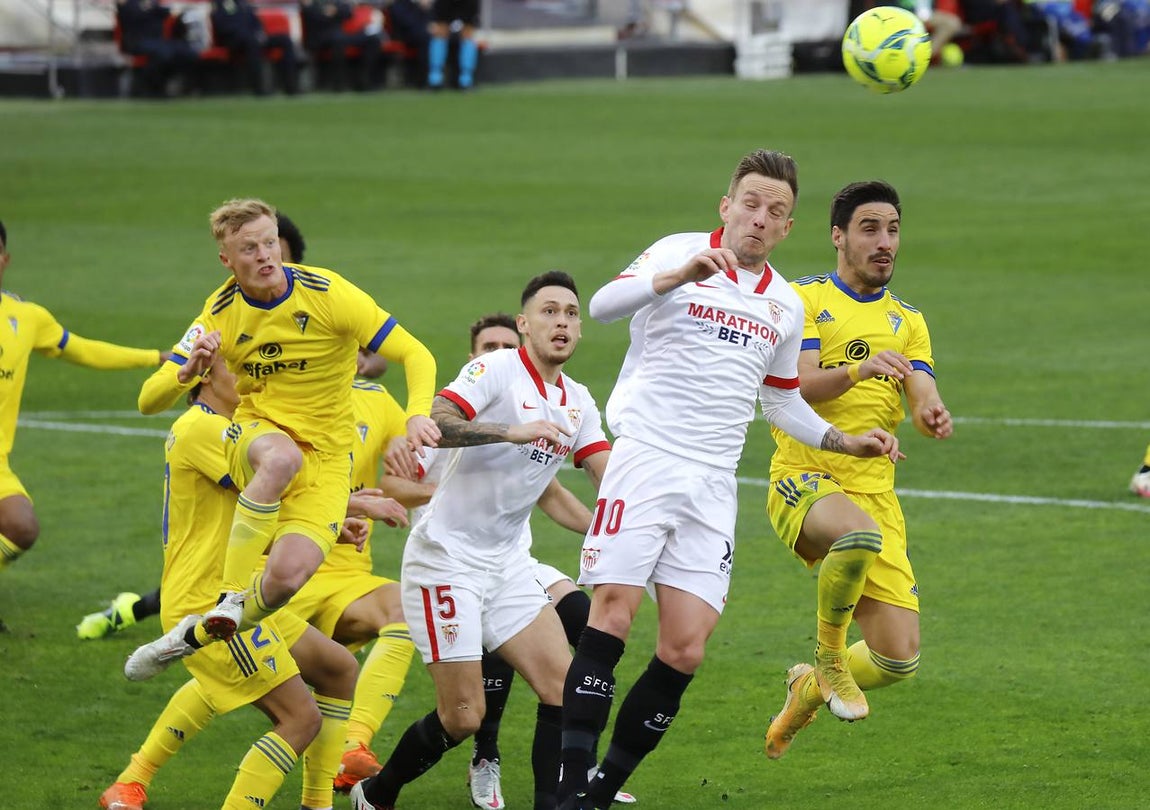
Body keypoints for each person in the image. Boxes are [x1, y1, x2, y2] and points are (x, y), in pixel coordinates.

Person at [555, 149, 903, 810]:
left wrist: (842, 439)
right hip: (648, 458)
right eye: (750, 203)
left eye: (775, 211)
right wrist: (672, 277)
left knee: (685, 648)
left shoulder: (784, 303)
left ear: (787, 227)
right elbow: (601, 306)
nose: (760, 219)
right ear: (727, 206)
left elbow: (779, 400)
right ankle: (568, 790)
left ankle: (599, 794)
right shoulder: (679, 253)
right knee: (614, 613)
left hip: (714, 482)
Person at [123, 197, 438, 681]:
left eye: (270, 242)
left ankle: (189, 637)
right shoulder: (220, 311)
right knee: (281, 457)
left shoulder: (328, 292)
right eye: (249, 248)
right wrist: (186, 371)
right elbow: (149, 399)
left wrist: (417, 414)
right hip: (258, 435)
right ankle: (229, 595)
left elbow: (415, 354)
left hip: (331, 461)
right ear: (227, 260)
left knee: (286, 579)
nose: (265, 255)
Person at [351, 271, 613, 810]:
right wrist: (511, 431)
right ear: (524, 324)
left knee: (563, 687)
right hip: (446, 561)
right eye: (548, 311)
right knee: (463, 717)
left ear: (579, 330)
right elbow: (436, 422)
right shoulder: (495, 369)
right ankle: (376, 794)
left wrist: (632, 520)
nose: (560, 321)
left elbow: (602, 474)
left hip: (507, 564)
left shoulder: (580, 402)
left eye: (570, 313)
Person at [100, 353, 362, 810]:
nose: (252, 380)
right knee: (299, 719)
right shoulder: (205, 428)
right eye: (239, 370)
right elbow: (272, 489)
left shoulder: (226, 429)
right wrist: (350, 510)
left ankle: (316, 804)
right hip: (212, 597)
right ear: (205, 376)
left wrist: (340, 518)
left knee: (337, 668)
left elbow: (260, 518)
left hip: (238, 590)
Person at [762, 180, 953, 760]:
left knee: (898, 659)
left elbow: (919, 383)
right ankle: (828, 657)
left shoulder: (908, 319)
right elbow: (796, 384)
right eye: (870, 228)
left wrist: (929, 410)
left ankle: (810, 686)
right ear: (838, 236)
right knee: (855, 534)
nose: (885, 241)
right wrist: (860, 370)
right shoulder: (805, 300)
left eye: (892, 229)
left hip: (876, 491)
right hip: (806, 475)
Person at [0, 219, 169, 576]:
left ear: (5, 259)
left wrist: (154, 357)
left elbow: (82, 350)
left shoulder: (26, 317)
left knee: (20, 526)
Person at [210, 0, 300, 95]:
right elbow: (222, 26)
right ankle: (259, 89)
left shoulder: (242, 3)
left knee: (285, 40)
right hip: (234, 41)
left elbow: (255, 20)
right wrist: (248, 35)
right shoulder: (220, 3)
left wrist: (260, 34)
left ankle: (291, 87)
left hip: (253, 38)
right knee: (252, 43)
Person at [115, 0, 201, 96]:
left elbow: (167, 11)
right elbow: (130, 13)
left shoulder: (154, 3)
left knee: (188, 52)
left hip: (158, 41)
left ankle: (179, 84)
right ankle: (150, 85)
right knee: (164, 52)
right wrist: (147, 7)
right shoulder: (129, 3)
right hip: (136, 42)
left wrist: (152, 7)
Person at [300, 0, 383, 91]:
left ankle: (364, 78)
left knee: (373, 39)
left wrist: (334, 11)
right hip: (320, 38)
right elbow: (313, 15)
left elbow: (348, 12)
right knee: (338, 41)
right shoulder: (313, 3)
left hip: (340, 36)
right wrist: (328, 13)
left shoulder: (336, 3)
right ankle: (338, 84)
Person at [426, 0, 481, 89]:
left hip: (466, 5)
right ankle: (435, 78)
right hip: (445, 5)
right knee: (440, 33)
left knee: (467, 35)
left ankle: (466, 79)